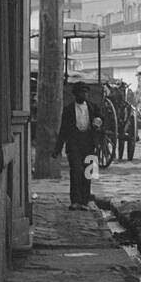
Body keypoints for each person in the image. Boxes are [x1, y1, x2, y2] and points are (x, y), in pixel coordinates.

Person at [51, 81, 102, 210]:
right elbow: (63, 130)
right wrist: (57, 149)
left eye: (85, 93)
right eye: (80, 93)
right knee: (76, 171)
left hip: (89, 143)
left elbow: (102, 121)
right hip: (74, 144)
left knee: (88, 172)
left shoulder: (93, 108)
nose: (83, 95)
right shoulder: (68, 110)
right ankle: (75, 201)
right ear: (75, 94)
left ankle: (85, 201)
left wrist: (99, 123)